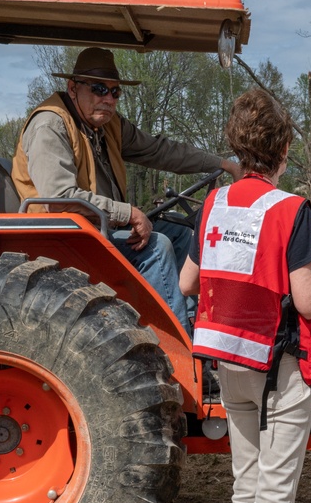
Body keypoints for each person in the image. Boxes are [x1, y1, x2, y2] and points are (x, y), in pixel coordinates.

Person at [179, 88, 311, 503]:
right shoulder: (290, 210)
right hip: (280, 366)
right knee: (274, 498)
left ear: (238, 143)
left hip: (229, 363)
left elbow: (187, 283)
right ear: (284, 150)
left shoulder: (215, 202)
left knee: (245, 490)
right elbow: (310, 300)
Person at [12, 47, 241, 333]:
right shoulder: (51, 124)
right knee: (157, 249)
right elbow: (58, 199)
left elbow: (161, 151)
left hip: (97, 228)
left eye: (115, 92)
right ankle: (179, 351)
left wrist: (221, 164)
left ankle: (195, 326)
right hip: (64, 238)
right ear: (73, 88)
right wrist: (128, 213)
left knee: (181, 234)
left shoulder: (108, 126)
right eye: (98, 89)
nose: (108, 99)